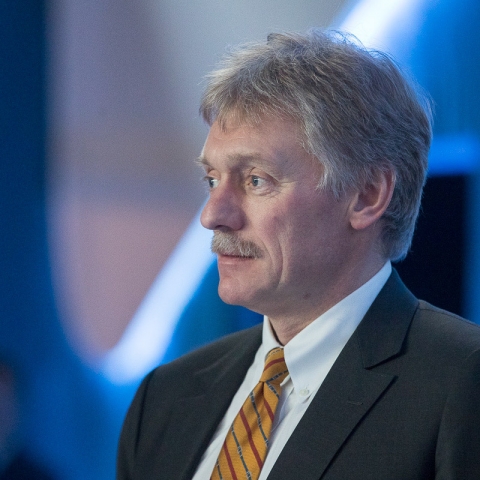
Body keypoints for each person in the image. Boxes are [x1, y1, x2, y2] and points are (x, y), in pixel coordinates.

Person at [117, 30, 480, 479]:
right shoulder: (165, 398)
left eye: (255, 180)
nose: (213, 215)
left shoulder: (462, 384)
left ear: (367, 195)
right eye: (212, 180)